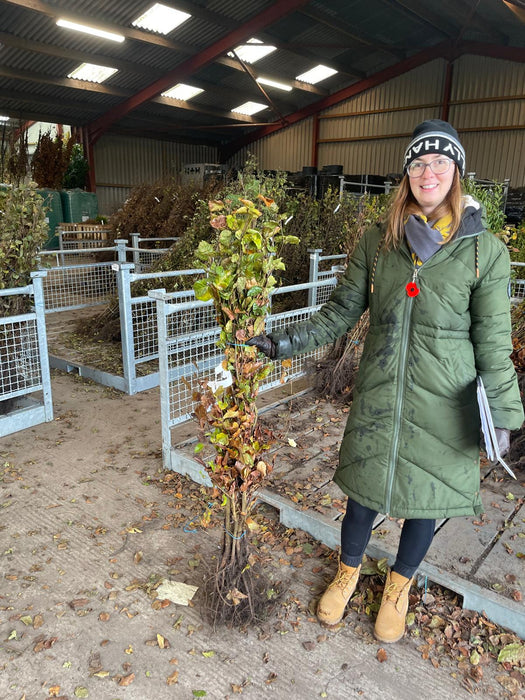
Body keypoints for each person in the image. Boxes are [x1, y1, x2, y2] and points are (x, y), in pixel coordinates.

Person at [248, 119, 524, 643]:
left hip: (446, 401)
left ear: (457, 172)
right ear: (406, 175)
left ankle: (397, 587)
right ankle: (348, 572)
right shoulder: (379, 242)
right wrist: (282, 343)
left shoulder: (485, 252)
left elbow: (493, 342)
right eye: (419, 163)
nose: (429, 172)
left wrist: (506, 417)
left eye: (441, 162)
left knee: (428, 500)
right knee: (363, 491)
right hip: (380, 396)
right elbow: (340, 313)